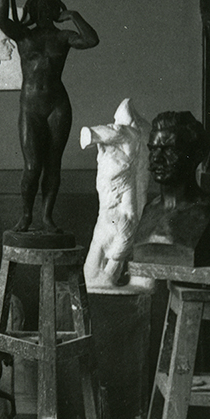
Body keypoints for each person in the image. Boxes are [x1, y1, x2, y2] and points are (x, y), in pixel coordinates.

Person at [0, 0, 99, 233]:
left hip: (57, 105)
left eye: (48, 7)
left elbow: (91, 40)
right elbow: (2, 20)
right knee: (32, 165)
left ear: (56, 10)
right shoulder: (23, 36)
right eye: (38, 8)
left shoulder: (63, 37)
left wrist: (74, 15)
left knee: (53, 164)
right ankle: (26, 216)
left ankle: (47, 217)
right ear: (30, 10)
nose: (43, 12)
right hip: (31, 106)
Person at [133, 111, 210, 265]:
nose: (156, 158)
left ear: (196, 155)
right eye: (153, 149)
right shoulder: (149, 210)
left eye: (169, 149)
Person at [80, 98, 150, 287]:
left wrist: (92, 135)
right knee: (91, 275)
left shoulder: (129, 137)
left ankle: (112, 272)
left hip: (118, 216)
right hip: (109, 214)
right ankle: (109, 275)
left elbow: (110, 132)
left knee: (101, 270)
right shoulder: (118, 147)